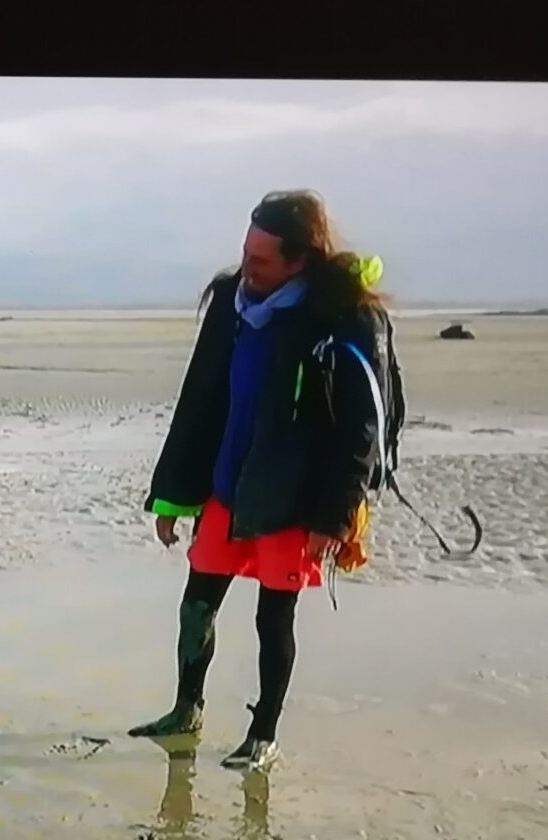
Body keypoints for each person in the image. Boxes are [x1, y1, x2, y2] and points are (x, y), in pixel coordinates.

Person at [132, 190, 406, 771]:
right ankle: (186, 710)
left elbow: (358, 428)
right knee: (196, 604)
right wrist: (173, 495)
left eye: (261, 261)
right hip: (226, 486)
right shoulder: (232, 302)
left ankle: (263, 736)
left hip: (292, 498)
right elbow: (199, 399)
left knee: (272, 618)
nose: (247, 269)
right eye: (245, 254)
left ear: (299, 260)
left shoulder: (340, 316)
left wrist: (334, 516)